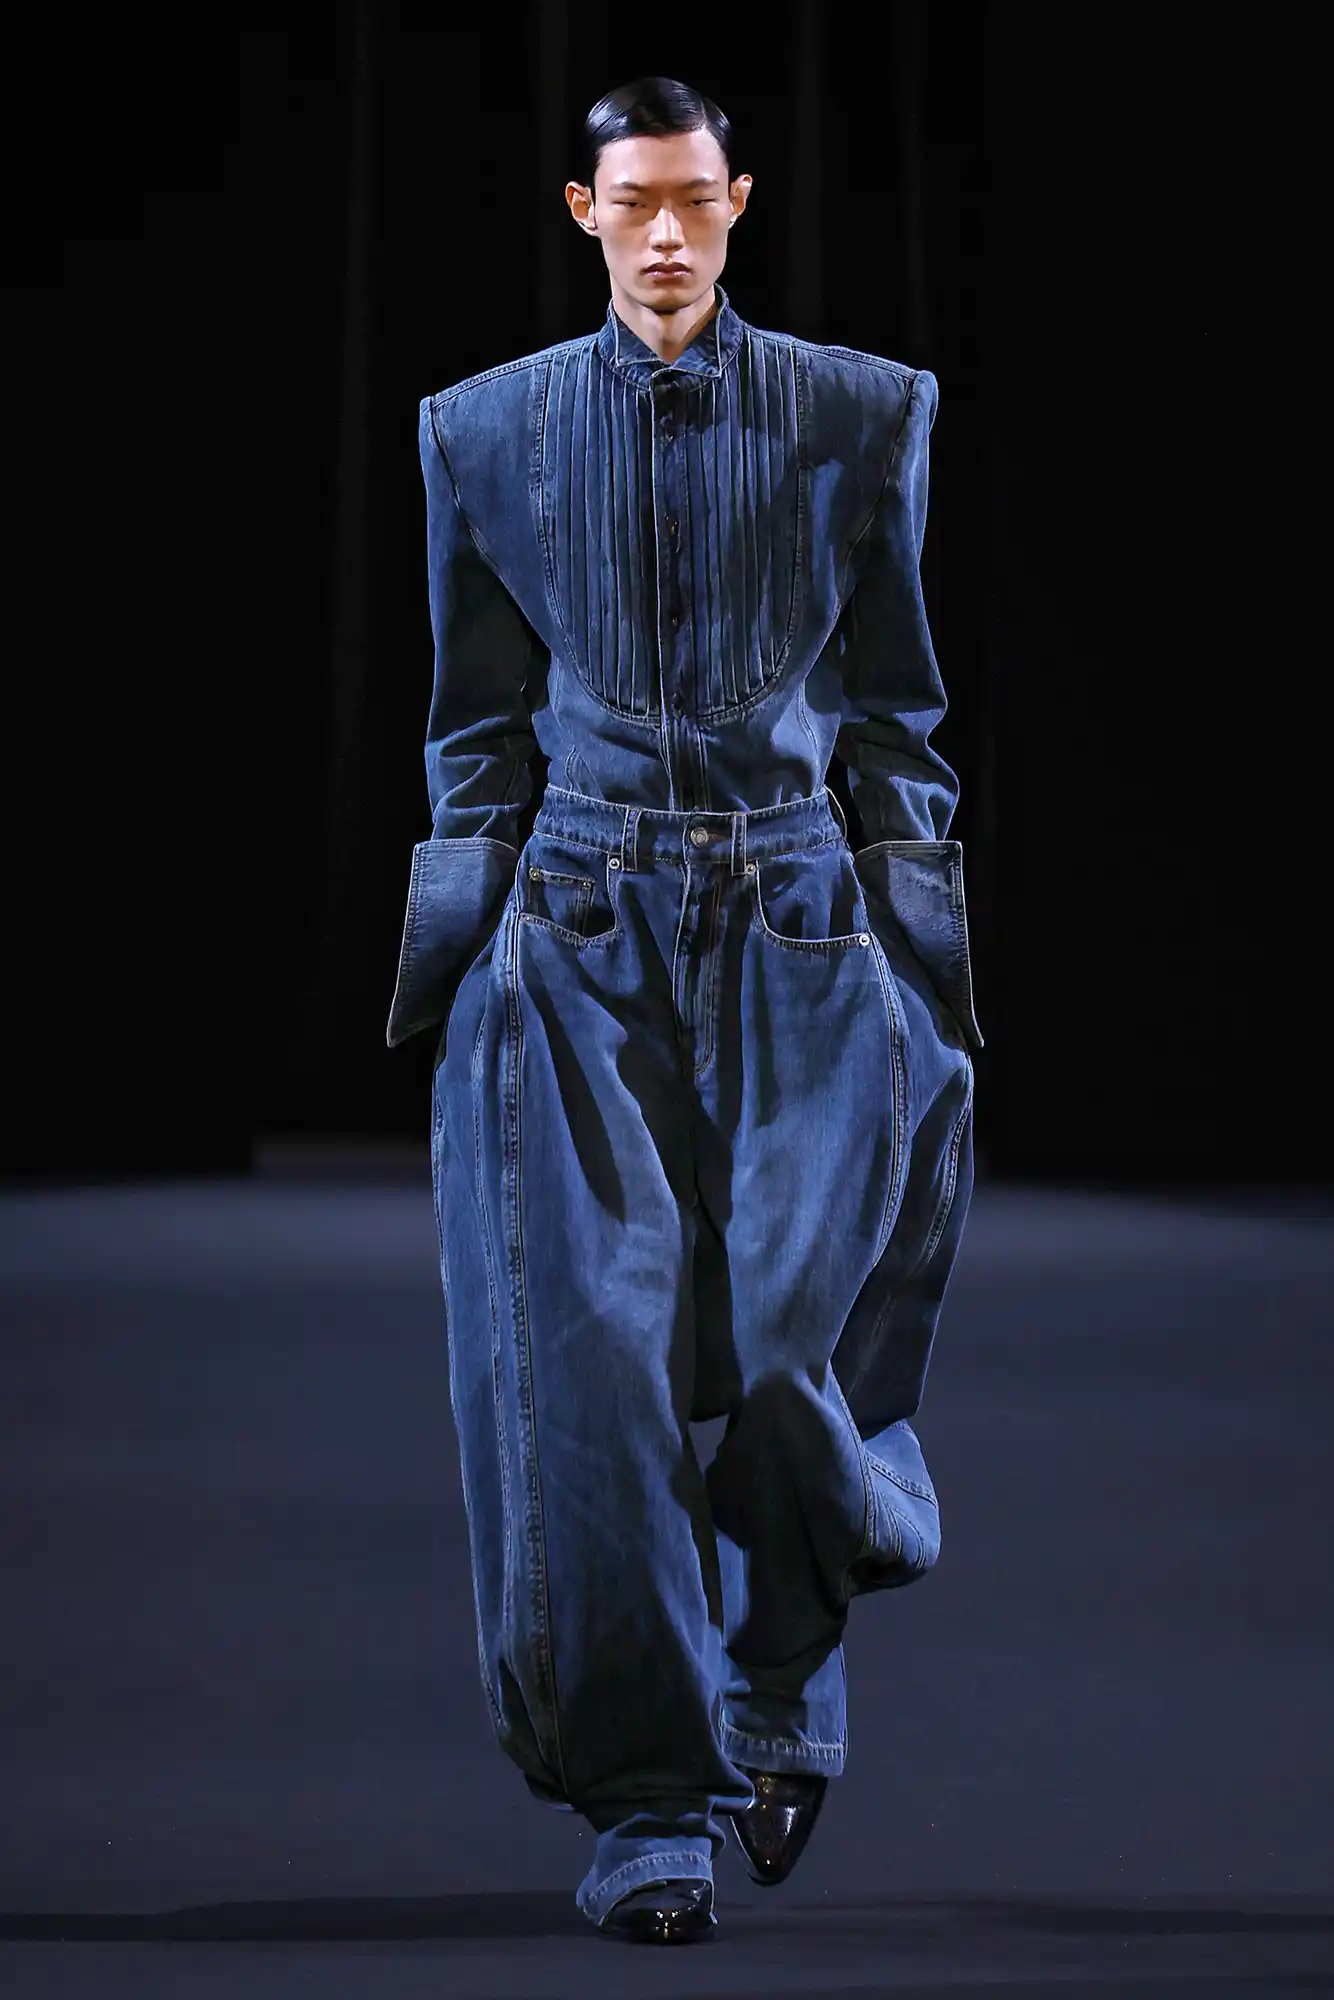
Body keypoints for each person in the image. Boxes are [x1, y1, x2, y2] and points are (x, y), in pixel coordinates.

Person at [386, 74, 983, 1946]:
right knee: (587, 1372)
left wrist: (927, 963)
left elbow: (899, 710)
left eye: (693, 200)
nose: (663, 232)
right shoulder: (481, 433)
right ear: (582, 210)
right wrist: (460, 952)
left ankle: (783, 1672)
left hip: (798, 919)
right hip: (574, 932)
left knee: (798, 1350)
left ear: (738, 202)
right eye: (629, 201)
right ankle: (651, 1806)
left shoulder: (862, 414)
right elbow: (474, 727)